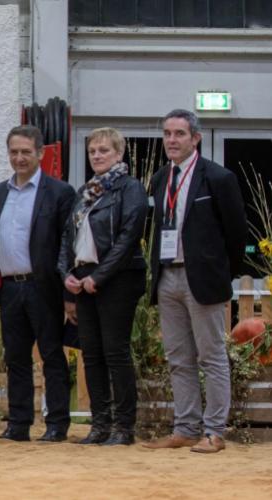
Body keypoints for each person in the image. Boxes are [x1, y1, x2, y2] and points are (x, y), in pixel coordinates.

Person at [142, 109, 246, 454]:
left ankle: (215, 431)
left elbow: (236, 234)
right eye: (168, 133)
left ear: (195, 138)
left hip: (203, 279)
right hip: (167, 275)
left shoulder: (218, 178)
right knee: (177, 357)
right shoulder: (160, 178)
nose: (172, 140)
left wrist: (220, 272)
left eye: (179, 134)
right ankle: (185, 428)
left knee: (212, 356)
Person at [58, 127, 147, 446]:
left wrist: (100, 277)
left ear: (119, 154)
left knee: (115, 352)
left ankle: (124, 427)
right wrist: (68, 275)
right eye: (93, 150)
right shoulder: (85, 192)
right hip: (84, 278)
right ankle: (100, 424)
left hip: (118, 278)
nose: (97, 155)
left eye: (104, 150)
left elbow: (128, 238)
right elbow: (69, 237)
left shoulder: (130, 187)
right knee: (91, 354)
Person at [0, 124, 76, 442]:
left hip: (44, 286)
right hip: (10, 287)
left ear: (40, 153)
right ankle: (19, 423)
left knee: (52, 355)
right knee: (15, 358)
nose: (19, 158)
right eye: (14, 151)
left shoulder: (60, 192)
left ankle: (57, 424)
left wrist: (69, 292)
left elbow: (69, 244)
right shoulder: (0, 191)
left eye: (26, 151)